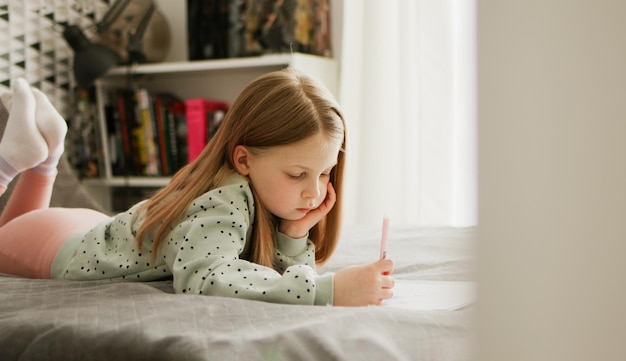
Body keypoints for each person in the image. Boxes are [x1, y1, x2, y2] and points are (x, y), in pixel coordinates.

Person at [0, 69, 395, 306]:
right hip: (58, 246)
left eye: (325, 173)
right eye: (297, 175)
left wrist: (292, 235)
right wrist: (326, 290)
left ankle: (45, 154)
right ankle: (17, 162)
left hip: (78, 229)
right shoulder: (223, 201)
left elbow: (260, 275)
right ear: (243, 159)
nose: (315, 192)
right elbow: (206, 278)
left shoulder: (241, 193)